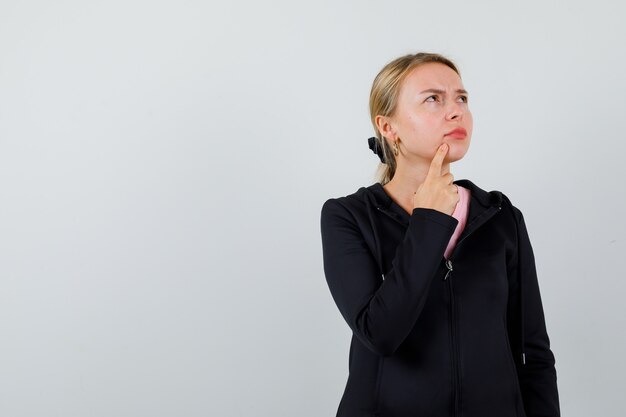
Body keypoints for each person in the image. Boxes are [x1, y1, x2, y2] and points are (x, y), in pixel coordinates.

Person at [319, 52, 560, 417]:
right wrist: (430, 219)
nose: (455, 111)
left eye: (461, 98)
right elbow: (381, 333)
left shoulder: (501, 216)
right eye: (433, 99)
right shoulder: (348, 217)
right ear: (388, 126)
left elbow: (533, 354)